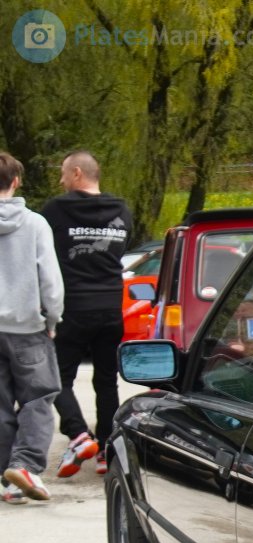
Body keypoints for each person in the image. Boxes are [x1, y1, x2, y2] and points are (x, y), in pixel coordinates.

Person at [41, 150, 131, 479]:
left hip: (73, 309)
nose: (62, 181)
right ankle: (106, 449)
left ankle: (79, 435)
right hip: (111, 307)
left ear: (77, 173)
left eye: (64, 174)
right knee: (106, 381)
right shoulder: (121, 209)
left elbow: (42, 255)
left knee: (55, 379)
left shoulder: (56, 209)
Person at [0, 152, 64, 503]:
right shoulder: (35, 224)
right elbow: (50, 280)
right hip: (28, 327)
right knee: (38, 398)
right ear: (16, 182)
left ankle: (9, 481)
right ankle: (25, 466)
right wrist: (52, 319)